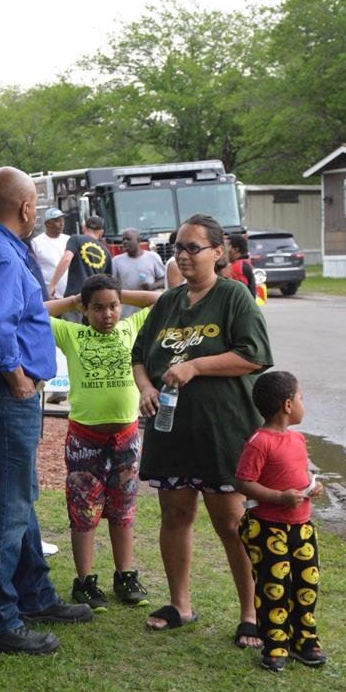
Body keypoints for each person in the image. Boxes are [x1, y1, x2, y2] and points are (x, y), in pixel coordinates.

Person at [0, 166, 92, 656]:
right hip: (0, 393)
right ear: (26, 208)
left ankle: (33, 594)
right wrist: (16, 377)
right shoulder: (0, 255)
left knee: (18, 498)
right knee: (4, 510)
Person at [132, 213, 274, 646]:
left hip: (223, 431)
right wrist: (145, 388)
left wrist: (195, 366)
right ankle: (180, 604)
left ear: (219, 251)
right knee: (176, 514)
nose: (183, 255)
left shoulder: (234, 297)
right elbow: (139, 356)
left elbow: (254, 355)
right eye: (177, 247)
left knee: (230, 522)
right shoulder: (168, 302)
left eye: (193, 247)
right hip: (172, 431)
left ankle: (251, 614)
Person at [44, 274, 160, 612]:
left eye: (113, 307)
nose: (107, 314)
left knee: (123, 510)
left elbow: (161, 300)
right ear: (85, 310)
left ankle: (125, 575)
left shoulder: (129, 328)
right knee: (84, 511)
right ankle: (85, 581)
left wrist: (123, 296)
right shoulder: (71, 334)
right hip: (85, 439)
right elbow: (30, 312)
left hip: (125, 437)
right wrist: (72, 300)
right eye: (98, 308)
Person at [236, 371, 326, 672]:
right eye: (301, 398)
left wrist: (313, 486)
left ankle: (304, 639)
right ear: (287, 405)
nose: (303, 403)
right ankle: (275, 643)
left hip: (302, 527)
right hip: (268, 528)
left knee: (306, 584)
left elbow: (301, 473)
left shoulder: (298, 439)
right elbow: (244, 483)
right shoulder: (260, 442)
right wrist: (278, 498)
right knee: (275, 587)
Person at [48, 216, 112, 321]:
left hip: (74, 299)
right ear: (101, 232)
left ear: (83, 227)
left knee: (70, 334)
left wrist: (52, 284)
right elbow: (108, 282)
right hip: (95, 301)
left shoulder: (76, 239)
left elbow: (66, 260)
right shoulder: (106, 252)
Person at [112, 228, 165, 317]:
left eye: (128, 239)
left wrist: (152, 286)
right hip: (127, 313)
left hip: (150, 311)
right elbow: (112, 285)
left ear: (138, 240)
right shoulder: (116, 261)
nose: (124, 242)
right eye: (123, 240)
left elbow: (164, 279)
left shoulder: (152, 257)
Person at [31, 207, 69, 298]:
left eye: (62, 220)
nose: (61, 224)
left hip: (69, 295)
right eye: (57, 221)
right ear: (47, 223)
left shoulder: (68, 240)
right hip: (49, 296)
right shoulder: (36, 243)